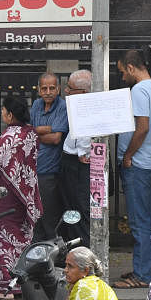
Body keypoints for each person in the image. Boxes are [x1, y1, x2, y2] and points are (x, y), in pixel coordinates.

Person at [113, 50, 151, 289]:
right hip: (148, 161)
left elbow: (142, 127)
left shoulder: (140, 90)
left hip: (138, 165)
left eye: (123, 71)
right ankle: (142, 268)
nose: (122, 77)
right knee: (144, 219)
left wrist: (128, 155)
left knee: (139, 222)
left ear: (132, 68)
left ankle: (143, 275)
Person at [0, 96, 41, 300]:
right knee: (21, 240)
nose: (3, 114)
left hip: (4, 197)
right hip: (25, 195)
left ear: (9, 114)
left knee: (3, 239)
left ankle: (4, 290)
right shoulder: (30, 133)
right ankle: (19, 284)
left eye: (4, 111)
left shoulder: (9, 137)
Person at [30, 72, 69, 242]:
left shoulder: (62, 107)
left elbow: (56, 138)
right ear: (38, 90)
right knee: (34, 217)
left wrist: (36, 131)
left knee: (49, 218)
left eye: (52, 88)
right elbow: (29, 133)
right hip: (32, 169)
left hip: (50, 171)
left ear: (58, 89)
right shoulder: (37, 105)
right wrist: (46, 129)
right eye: (44, 88)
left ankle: (53, 258)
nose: (48, 92)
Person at [60, 70, 94, 224]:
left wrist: (83, 152)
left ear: (83, 92)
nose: (66, 91)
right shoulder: (77, 105)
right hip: (70, 159)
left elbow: (87, 132)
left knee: (80, 204)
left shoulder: (88, 105)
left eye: (70, 88)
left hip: (79, 162)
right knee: (71, 204)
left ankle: (83, 243)